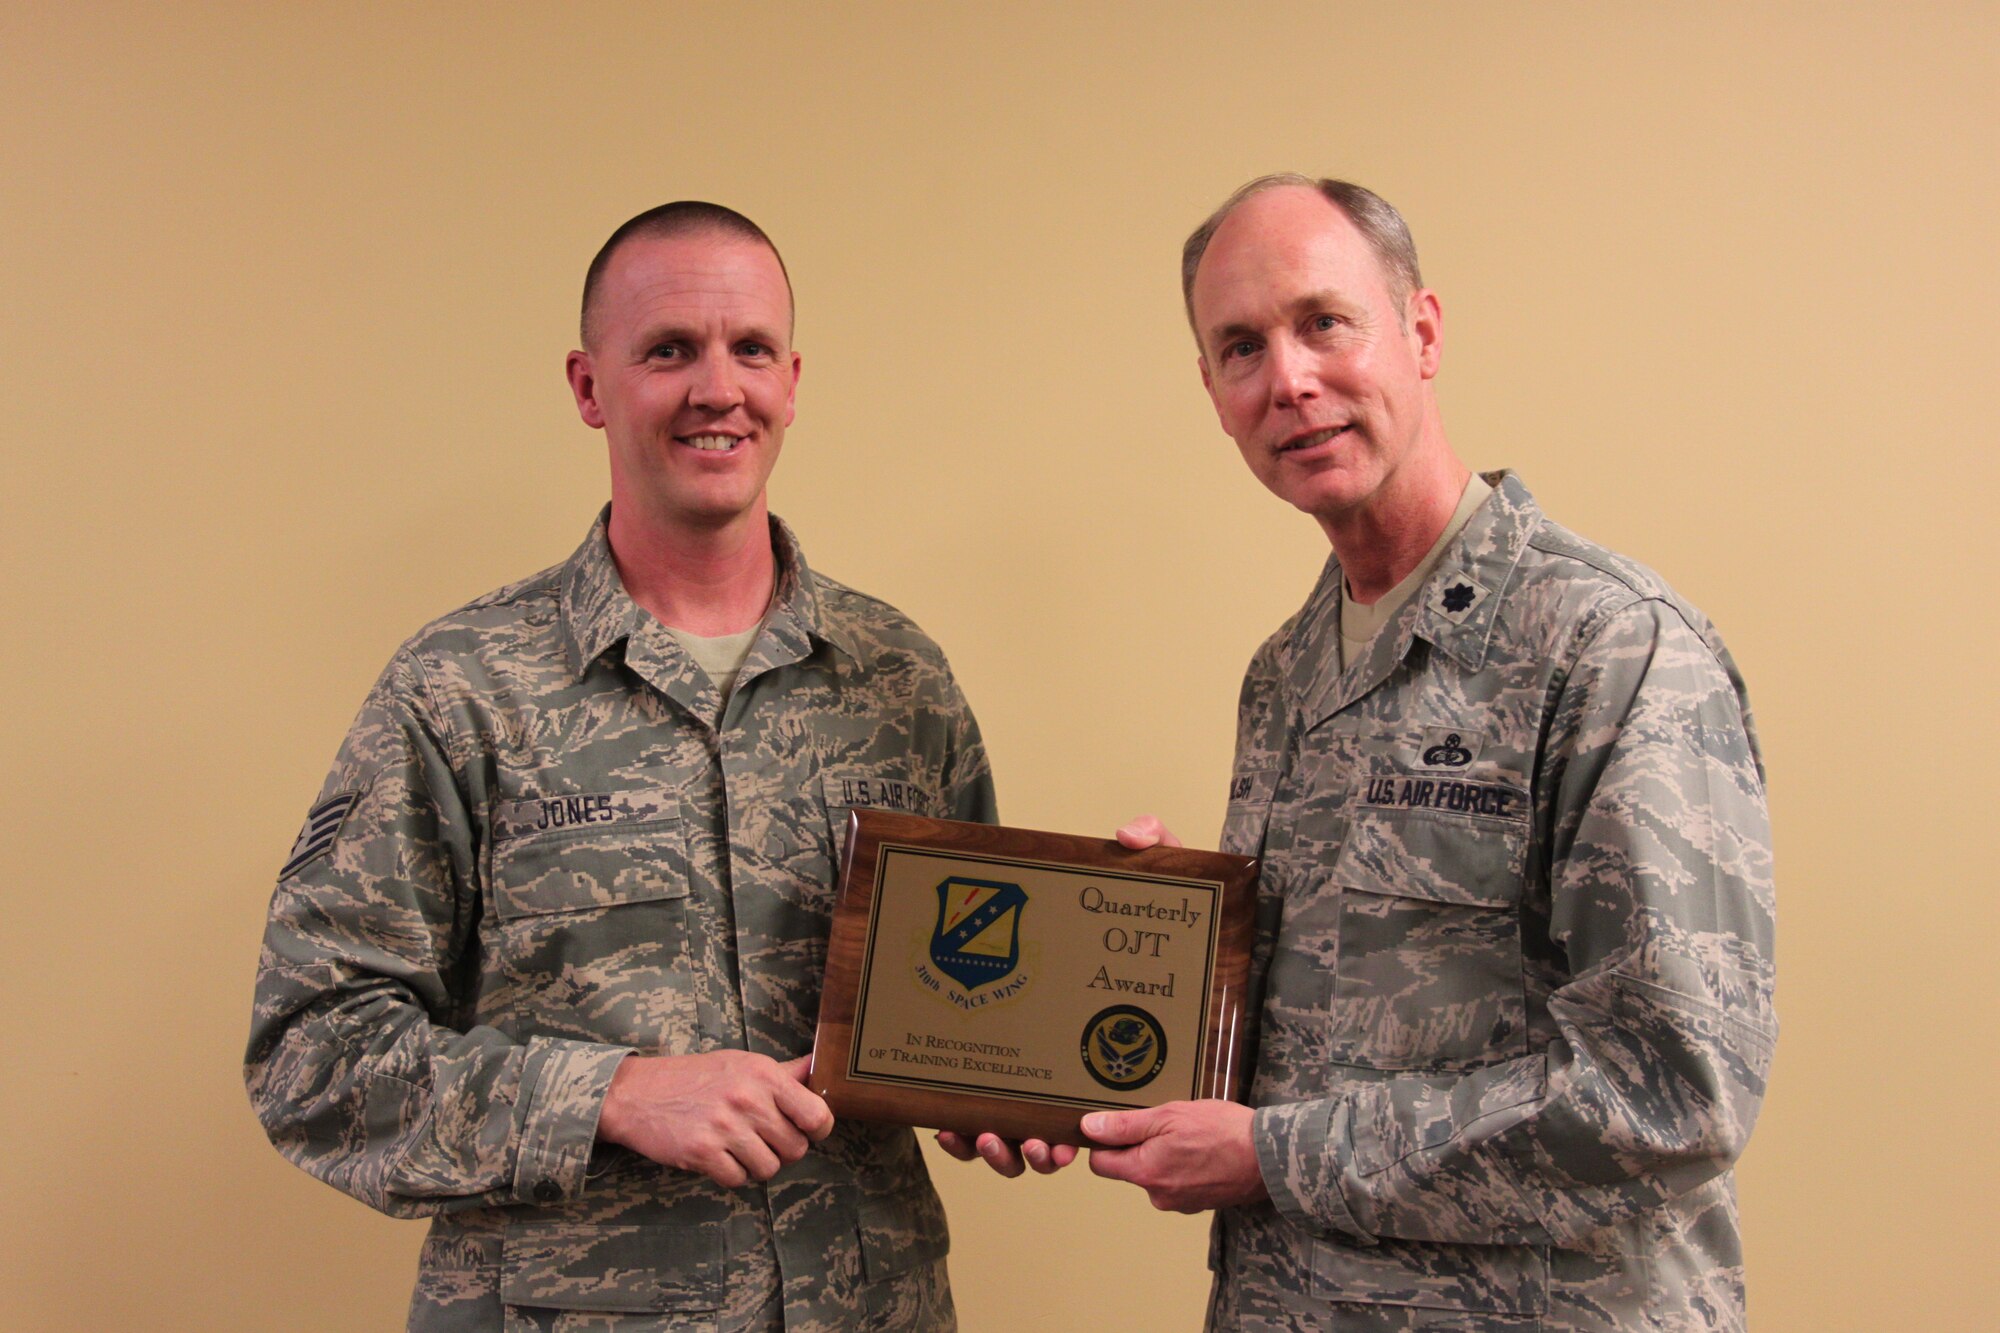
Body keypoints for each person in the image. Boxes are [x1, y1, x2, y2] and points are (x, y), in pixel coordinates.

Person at [945, 176, 1777, 1330]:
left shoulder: (1607, 650)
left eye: (1321, 321)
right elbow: (1323, 1033)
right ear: (1212, 392)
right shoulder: (1285, 675)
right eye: (1240, 347)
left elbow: (1665, 1094)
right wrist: (1085, 1019)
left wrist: (1273, 1154)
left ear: (1420, 330)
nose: (1286, 379)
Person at [247, 202, 996, 1331]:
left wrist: (1030, 1083)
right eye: (667, 350)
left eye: (749, 349)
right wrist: (609, 1091)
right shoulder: (461, 687)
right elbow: (313, 1057)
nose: (717, 387)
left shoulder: (899, 680)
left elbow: (977, 994)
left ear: (791, 380)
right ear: (589, 387)